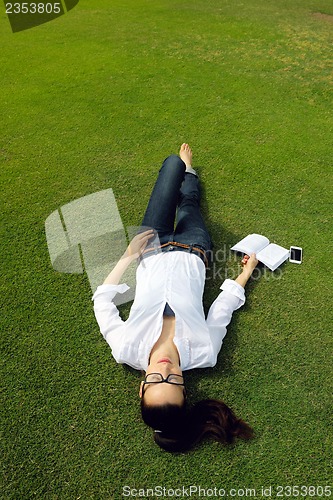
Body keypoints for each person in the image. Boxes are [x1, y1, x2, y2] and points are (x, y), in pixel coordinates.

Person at [92, 144, 259, 452]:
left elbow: (102, 304)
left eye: (157, 380)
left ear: (142, 388)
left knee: (170, 166)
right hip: (193, 248)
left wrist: (128, 256)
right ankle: (190, 169)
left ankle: (180, 167)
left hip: (150, 247)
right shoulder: (205, 352)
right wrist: (246, 273)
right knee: (189, 202)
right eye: (174, 383)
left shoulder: (126, 348)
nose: (166, 371)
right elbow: (223, 308)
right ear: (185, 393)